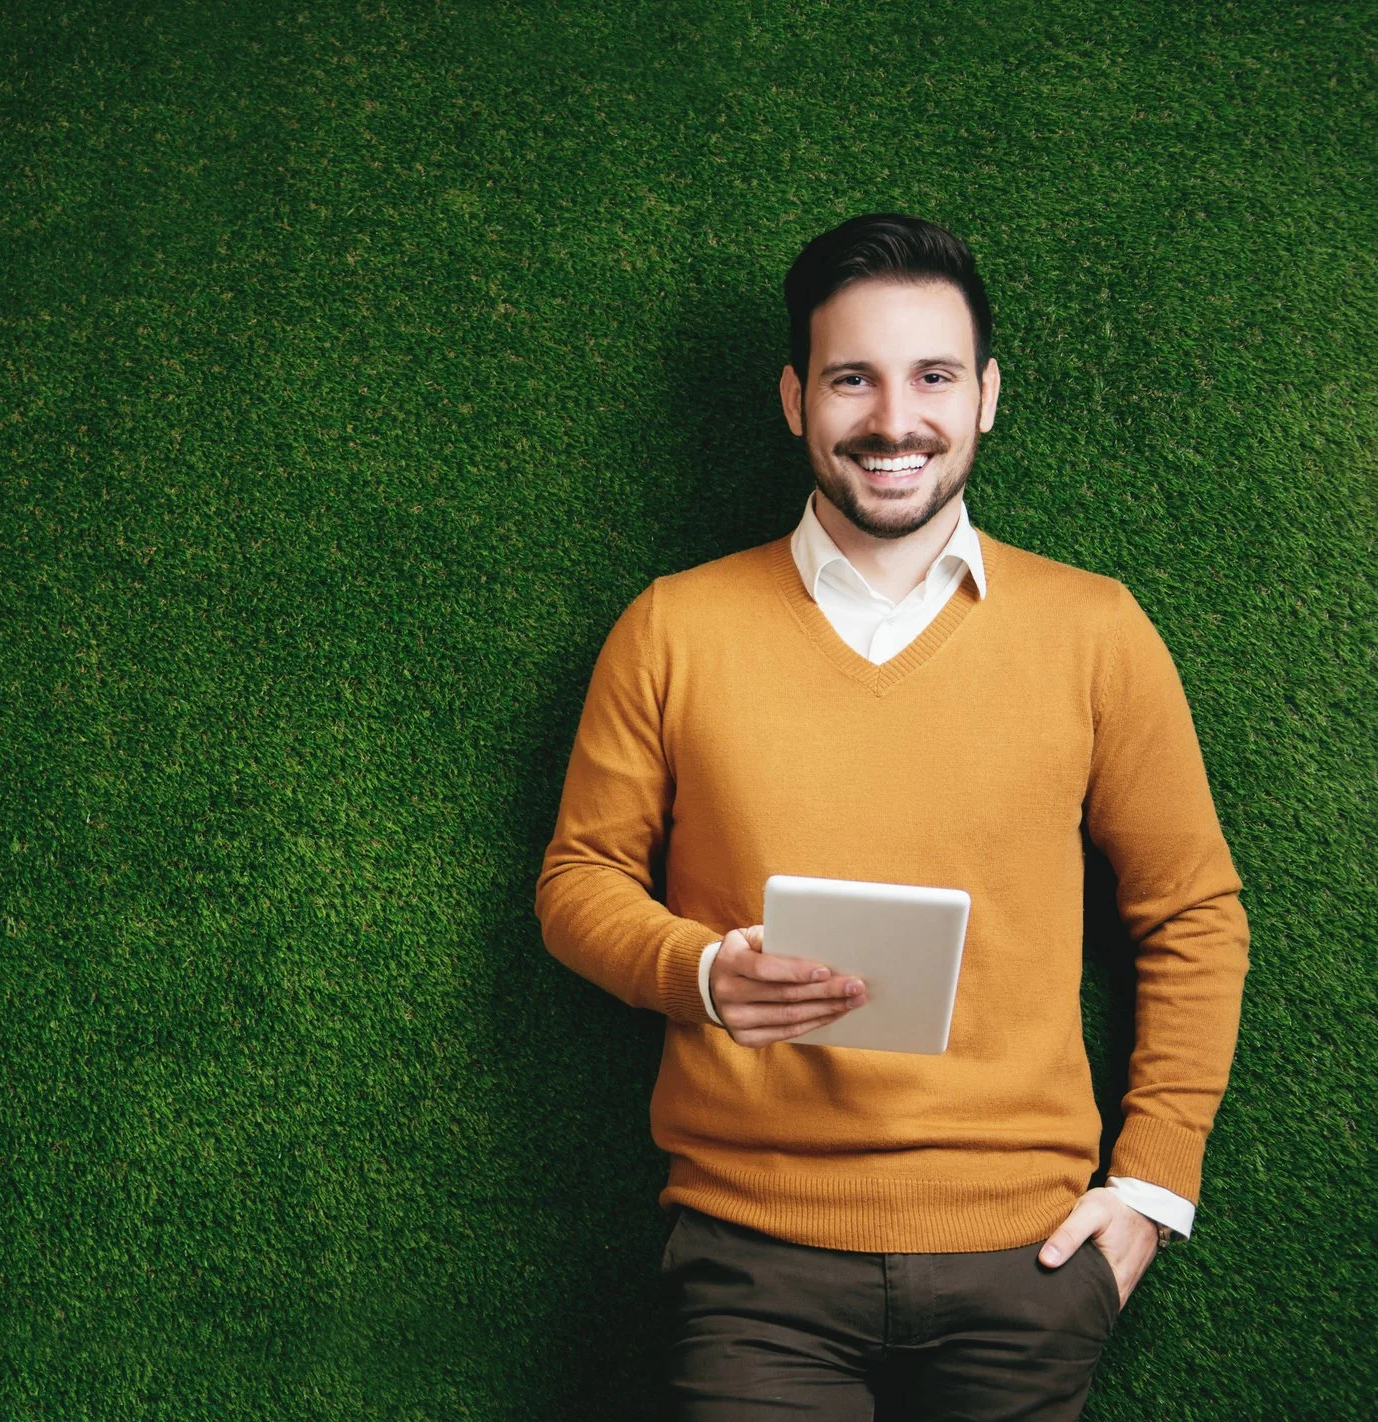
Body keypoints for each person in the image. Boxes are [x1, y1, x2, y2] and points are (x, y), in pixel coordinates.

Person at [534, 212, 1249, 1419]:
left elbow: (1193, 914)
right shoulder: (673, 627)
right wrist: (699, 971)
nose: (893, 420)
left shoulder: (1096, 632)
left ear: (986, 398)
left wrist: (1154, 1190)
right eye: (851, 378)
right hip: (750, 1261)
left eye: (933, 376)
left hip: (1030, 1266)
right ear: (794, 398)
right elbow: (578, 880)